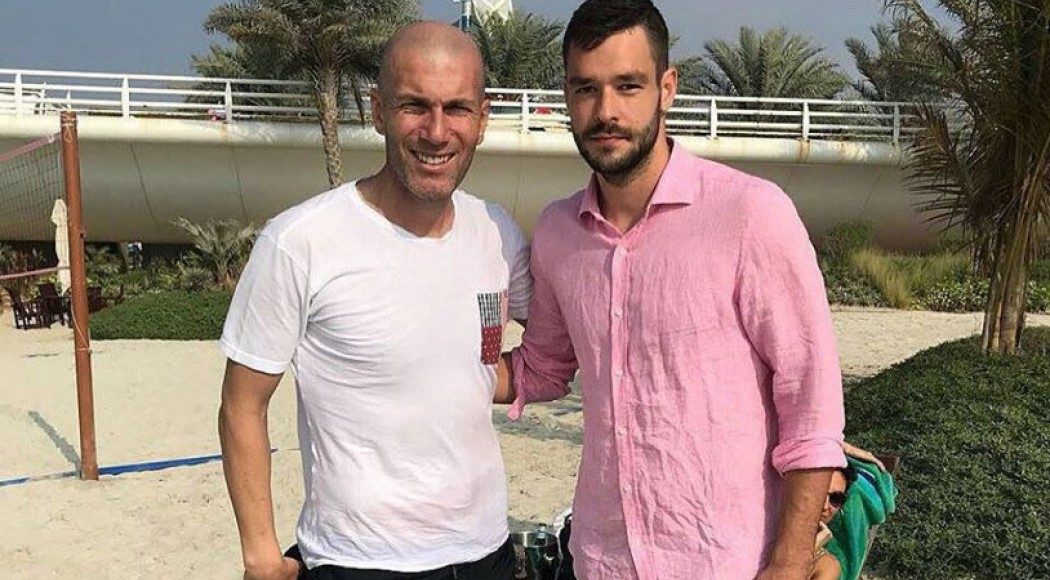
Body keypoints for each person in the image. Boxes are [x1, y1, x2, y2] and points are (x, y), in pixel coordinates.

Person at [495, 1, 848, 578]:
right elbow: (543, 367)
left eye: (627, 86)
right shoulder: (558, 232)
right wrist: (435, 364)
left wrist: (788, 561)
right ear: (566, 96)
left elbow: (811, 402)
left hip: (727, 561)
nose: (605, 111)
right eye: (586, 89)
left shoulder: (749, 213)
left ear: (667, 88)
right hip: (603, 560)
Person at [219, 22, 530, 580]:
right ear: (378, 110)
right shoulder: (300, 241)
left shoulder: (496, 232)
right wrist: (260, 554)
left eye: (457, 108)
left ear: (482, 119)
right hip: (357, 560)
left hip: (486, 552)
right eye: (415, 106)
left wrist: (487, 374)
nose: (437, 131)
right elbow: (242, 405)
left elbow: (545, 347)